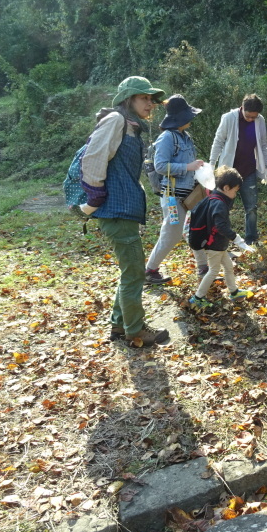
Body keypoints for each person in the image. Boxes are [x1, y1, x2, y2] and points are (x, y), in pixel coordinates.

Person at [80, 76, 170, 347]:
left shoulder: (130, 126)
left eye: (151, 99)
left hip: (123, 209)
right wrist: (96, 195)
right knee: (134, 273)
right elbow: (93, 158)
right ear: (128, 99)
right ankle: (135, 330)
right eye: (144, 98)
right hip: (115, 210)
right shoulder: (116, 121)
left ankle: (120, 324)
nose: (150, 104)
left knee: (129, 271)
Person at [144, 95, 209, 284]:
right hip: (172, 197)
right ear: (180, 117)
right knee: (171, 234)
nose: (191, 118)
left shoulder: (186, 137)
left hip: (189, 194)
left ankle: (203, 267)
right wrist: (188, 167)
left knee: (196, 229)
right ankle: (150, 270)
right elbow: (161, 166)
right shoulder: (166, 138)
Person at [188, 166, 256, 308]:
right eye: (235, 190)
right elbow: (220, 226)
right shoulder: (219, 203)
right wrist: (236, 238)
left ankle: (234, 291)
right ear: (226, 188)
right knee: (213, 271)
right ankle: (198, 297)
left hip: (219, 244)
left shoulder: (214, 197)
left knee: (228, 266)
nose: (236, 194)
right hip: (214, 245)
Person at [209, 94, 267, 245]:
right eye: (248, 116)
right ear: (242, 108)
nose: (250, 119)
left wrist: (265, 166)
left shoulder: (260, 120)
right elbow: (218, 141)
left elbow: (263, 144)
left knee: (251, 207)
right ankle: (220, 239)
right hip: (228, 172)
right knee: (222, 208)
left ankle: (251, 238)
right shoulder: (229, 118)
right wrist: (212, 163)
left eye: (253, 117)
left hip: (249, 170)